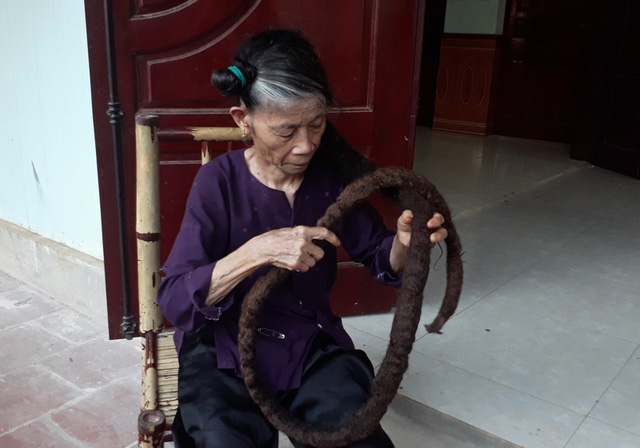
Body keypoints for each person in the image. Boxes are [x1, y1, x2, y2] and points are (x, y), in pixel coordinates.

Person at [157, 29, 447, 448]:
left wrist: (405, 241)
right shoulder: (217, 182)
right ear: (244, 121)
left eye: (316, 124)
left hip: (306, 341)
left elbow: (381, 258)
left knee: (356, 437)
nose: (306, 145)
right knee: (222, 439)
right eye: (286, 130)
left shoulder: (330, 183)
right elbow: (175, 299)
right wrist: (257, 251)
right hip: (223, 348)